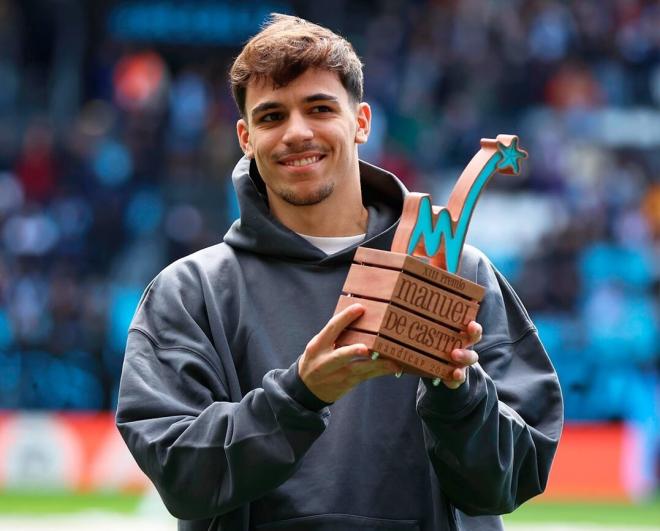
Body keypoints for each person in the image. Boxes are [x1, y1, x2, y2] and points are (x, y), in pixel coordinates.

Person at [116, 13, 563, 531]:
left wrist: (456, 390)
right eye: (270, 117)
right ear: (244, 137)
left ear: (362, 121)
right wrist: (300, 396)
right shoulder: (189, 292)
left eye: (320, 108)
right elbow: (180, 476)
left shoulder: (458, 272)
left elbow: (515, 477)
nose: (297, 132)